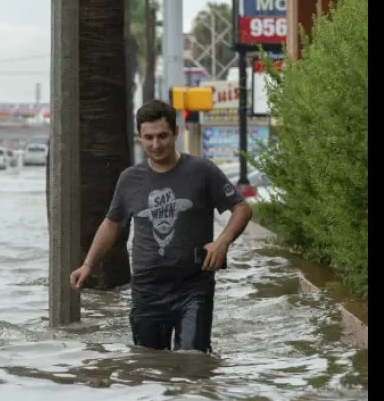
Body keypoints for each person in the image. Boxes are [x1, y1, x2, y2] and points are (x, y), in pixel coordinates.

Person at [69, 100, 253, 353]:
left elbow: (242, 209)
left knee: (193, 361)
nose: (155, 145)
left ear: (176, 133)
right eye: (148, 138)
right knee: (149, 367)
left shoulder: (202, 171)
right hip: (147, 291)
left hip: (193, 287)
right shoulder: (129, 179)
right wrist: (88, 265)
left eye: (162, 136)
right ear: (140, 137)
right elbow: (112, 225)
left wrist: (222, 242)